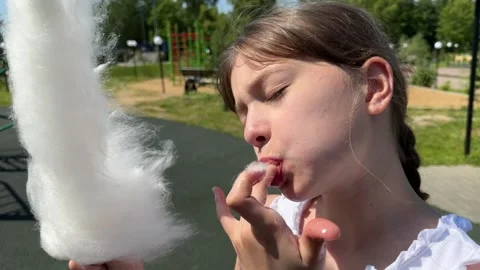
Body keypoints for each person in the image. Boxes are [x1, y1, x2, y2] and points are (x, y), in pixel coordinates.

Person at [69, 1, 480, 269]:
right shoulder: (273, 228)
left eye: (275, 92)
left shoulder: (455, 262)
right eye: (242, 112)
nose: (251, 130)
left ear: (372, 87)